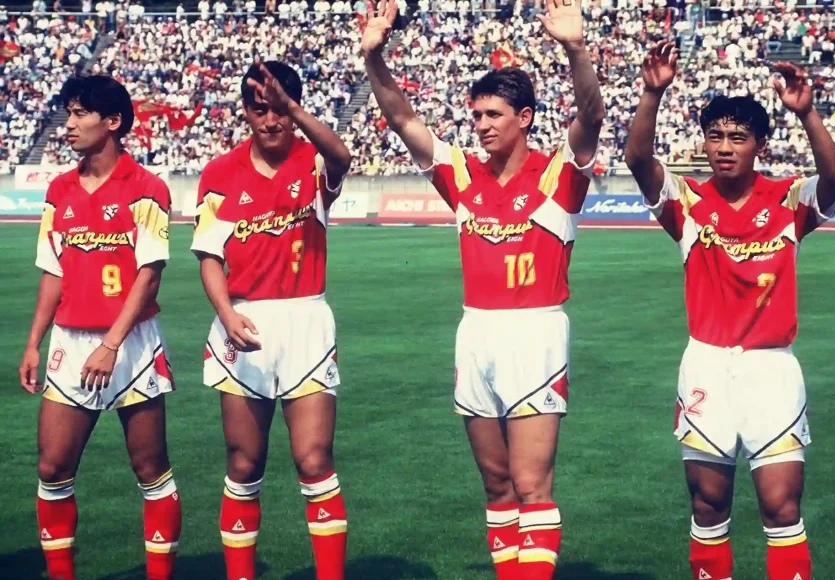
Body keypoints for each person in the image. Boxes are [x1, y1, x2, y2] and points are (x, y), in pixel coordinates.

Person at [361, 0, 604, 576]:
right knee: (496, 485)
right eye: (476, 116)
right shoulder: (463, 176)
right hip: (476, 331)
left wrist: (575, 48)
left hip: (534, 330)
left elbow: (590, 117)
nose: (482, 125)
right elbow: (403, 121)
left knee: (530, 483)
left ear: (524, 117)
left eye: (494, 114)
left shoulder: (556, 176)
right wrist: (374, 57)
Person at [624, 41, 835, 580]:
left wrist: (808, 112)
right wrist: (652, 93)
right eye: (716, 136)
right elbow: (637, 160)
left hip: (771, 367)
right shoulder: (686, 201)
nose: (724, 147)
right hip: (706, 365)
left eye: (738, 137)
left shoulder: (789, 200)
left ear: (760, 146)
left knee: (781, 508)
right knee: (707, 507)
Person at [190, 60, 353, 580]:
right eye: (258, 109)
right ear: (245, 111)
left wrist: (294, 108)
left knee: (313, 461)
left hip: (306, 321)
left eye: (277, 109)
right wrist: (225, 313)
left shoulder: (313, 161)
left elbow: (342, 155)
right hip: (242, 322)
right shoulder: (220, 173)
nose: (269, 121)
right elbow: (209, 256)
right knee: (243, 465)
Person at [19, 74, 180, 580]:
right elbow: (53, 271)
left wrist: (111, 344)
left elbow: (148, 276)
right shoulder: (58, 189)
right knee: (52, 469)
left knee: (150, 469)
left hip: (129, 344)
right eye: (68, 113)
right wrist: (34, 343)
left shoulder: (147, 189)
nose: (68, 124)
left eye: (80, 114)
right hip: (70, 342)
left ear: (112, 123)